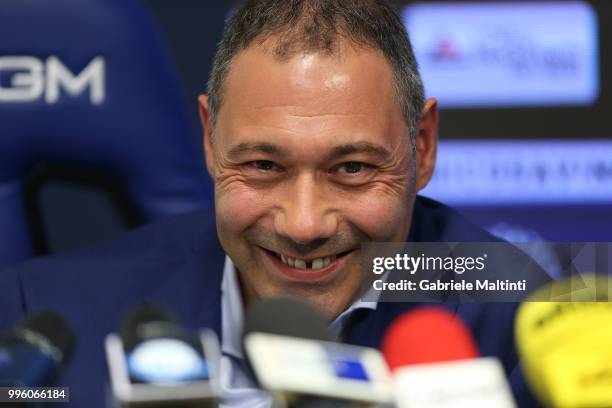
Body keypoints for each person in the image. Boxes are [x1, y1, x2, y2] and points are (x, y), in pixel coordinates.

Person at [0, 0, 540, 406]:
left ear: (420, 147)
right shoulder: (41, 318)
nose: (304, 224)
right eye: (263, 166)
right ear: (210, 141)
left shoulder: (522, 317)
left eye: (351, 169)